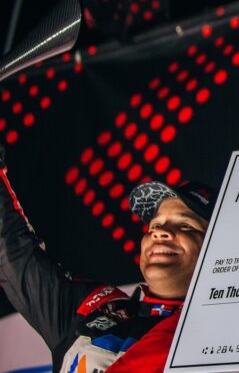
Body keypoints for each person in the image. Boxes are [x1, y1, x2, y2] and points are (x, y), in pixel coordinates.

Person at [0, 148, 216, 373]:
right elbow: (14, 253)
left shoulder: (223, 334)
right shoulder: (95, 307)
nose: (159, 233)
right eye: (155, 225)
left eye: (185, 226)